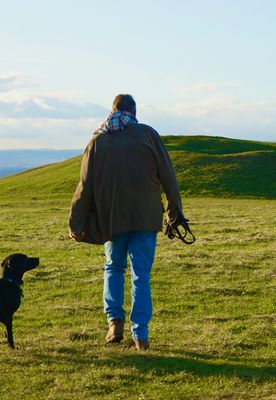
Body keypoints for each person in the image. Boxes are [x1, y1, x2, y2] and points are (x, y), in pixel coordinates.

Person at [69, 94, 184, 350]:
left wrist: (75, 223)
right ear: (134, 112)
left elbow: (84, 186)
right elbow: (168, 173)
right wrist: (174, 210)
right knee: (141, 275)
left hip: (112, 219)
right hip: (145, 217)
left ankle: (114, 322)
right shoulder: (147, 134)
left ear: (113, 110)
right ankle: (140, 336)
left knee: (113, 268)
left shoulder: (98, 141)